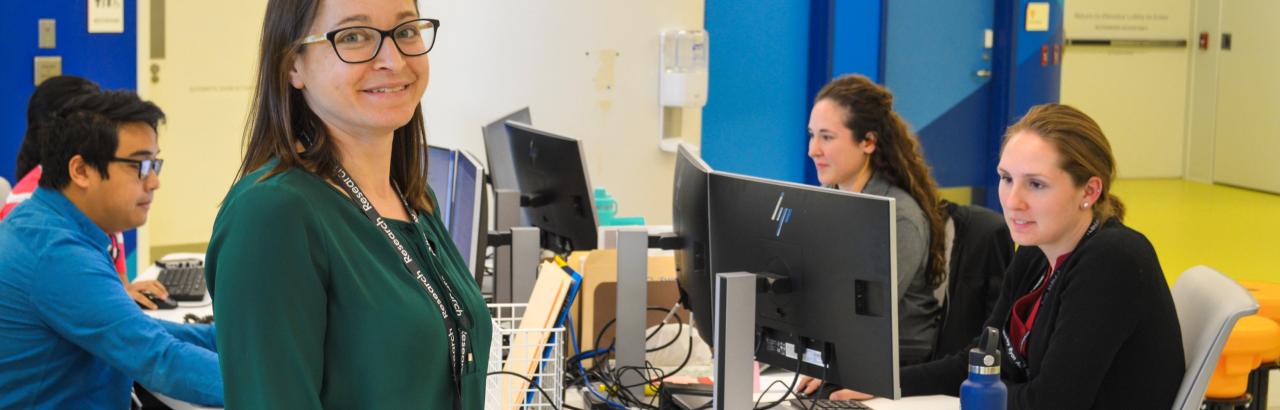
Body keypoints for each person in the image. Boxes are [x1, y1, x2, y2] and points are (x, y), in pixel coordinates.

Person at [205, 0, 492, 407]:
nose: (392, 60)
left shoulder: (414, 200)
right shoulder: (273, 215)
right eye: (354, 37)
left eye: (406, 31)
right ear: (292, 65)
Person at [815, 104, 1186, 409]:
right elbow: (980, 360)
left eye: (1036, 184)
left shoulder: (1113, 260)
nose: (1013, 201)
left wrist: (959, 399)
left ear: (1089, 190)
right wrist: (881, 380)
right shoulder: (1035, 251)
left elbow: (1052, 403)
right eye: (1007, 178)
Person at [0, 90, 223, 408]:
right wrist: (287, 389)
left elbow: (136, 329)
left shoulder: (45, 223)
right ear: (81, 171)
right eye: (140, 166)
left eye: (154, 165)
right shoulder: (56, 254)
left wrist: (226, 338)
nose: (154, 182)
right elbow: (160, 359)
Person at [805, 74, 949, 364]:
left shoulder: (897, 217)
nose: (813, 149)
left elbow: (865, 315)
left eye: (827, 137)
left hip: (894, 363)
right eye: (812, 134)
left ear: (868, 142)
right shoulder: (829, 198)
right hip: (844, 352)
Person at [1, 75, 171, 309]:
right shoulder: (42, 231)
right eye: (139, 164)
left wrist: (121, 292)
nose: (154, 182)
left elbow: (115, 285)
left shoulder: (99, 209)